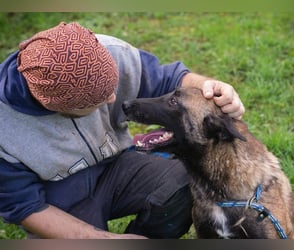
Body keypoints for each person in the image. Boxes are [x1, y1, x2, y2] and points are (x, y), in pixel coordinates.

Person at [0, 22, 245, 239]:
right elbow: (25, 207)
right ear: (55, 108)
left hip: (118, 167)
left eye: (112, 86)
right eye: (98, 100)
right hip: (59, 201)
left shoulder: (105, 51)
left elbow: (168, 79)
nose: (114, 97)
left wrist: (208, 86)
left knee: (184, 182)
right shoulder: (5, 129)